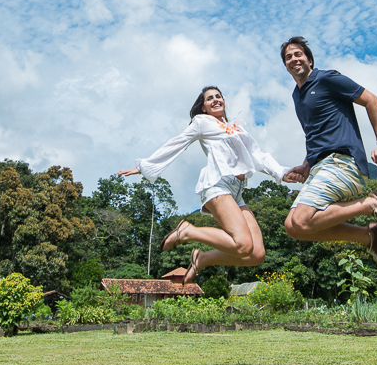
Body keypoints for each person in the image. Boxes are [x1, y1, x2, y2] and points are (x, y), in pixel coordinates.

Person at [118, 86, 288, 284]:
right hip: (218, 185)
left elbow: (258, 156)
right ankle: (188, 231)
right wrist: (145, 166)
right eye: (209, 99)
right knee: (242, 244)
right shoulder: (202, 122)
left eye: (218, 96)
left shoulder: (238, 126)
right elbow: (177, 142)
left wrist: (283, 173)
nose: (215, 100)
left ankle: (203, 258)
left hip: (237, 192)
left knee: (256, 254)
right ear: (204, 107)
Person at [278, 36, 377, 279]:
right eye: (288, 57)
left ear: (309, 59)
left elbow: (371, 100)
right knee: (293, 227)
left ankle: (373, 204)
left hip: (343, 162)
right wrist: (306, 166)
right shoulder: (298, 95)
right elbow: (315, 134)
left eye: (298, 54)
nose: (294, 59)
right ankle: (368, 237)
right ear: (285, 65)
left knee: (303, 220)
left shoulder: (326, 78)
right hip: (320, 167)